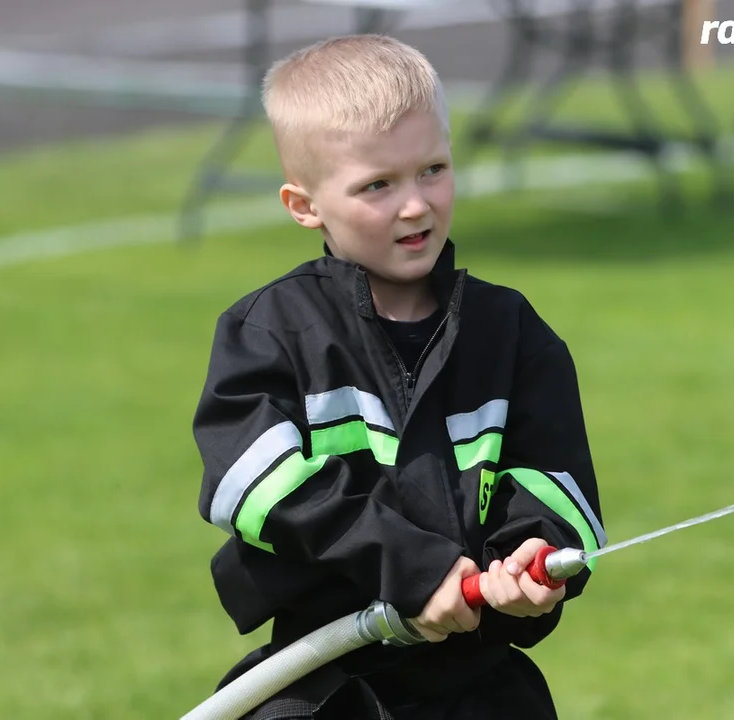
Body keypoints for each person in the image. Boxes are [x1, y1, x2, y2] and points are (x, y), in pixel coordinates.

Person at [191, 33, 606, 720]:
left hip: (480, 685)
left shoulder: (510, 331)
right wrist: (410, 564)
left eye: (433, 169)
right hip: (327, 682)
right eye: (377, 185)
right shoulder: (270, 333)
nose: (415, 205)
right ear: (304, 205)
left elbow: (559, 485)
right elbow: (251, 486)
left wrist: (530, 556)